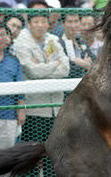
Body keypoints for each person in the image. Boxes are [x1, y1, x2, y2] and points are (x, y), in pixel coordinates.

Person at [13, 10, 69, 176]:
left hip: (56, 109)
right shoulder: (22, 43)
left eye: (43, 21)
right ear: (29, 24)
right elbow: (31, 70)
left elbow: (65, 69)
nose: (40, 25)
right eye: (36, 21)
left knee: (55, 153)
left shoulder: (53, 40)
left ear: (48, 23)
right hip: (35, 109)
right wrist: (54, 64)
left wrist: (45, 66)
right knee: (32, 153)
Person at [0, 21, 25, 150]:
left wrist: (21, 111)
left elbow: (20, 89)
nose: (0, 38)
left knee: (5, 154)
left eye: (2, 34)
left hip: (8, 115)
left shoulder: (13, 60)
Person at [59, 13, 95, 78]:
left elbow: (94, 60)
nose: (73, 25)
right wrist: (85, 64)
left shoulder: (82, 42)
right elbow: (65, 67)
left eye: (76, 21)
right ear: (63, 24)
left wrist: (87, 64)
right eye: (70, 22)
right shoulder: (59, 43)